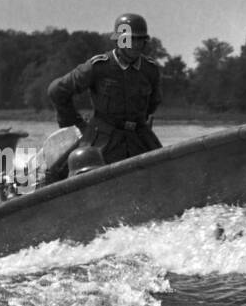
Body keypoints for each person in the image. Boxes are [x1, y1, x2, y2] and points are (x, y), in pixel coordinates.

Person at [45, 13, 162, 182]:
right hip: (103, 139)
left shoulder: (150, 70)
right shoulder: (99, 66)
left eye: (139, 40)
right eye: (129, 39)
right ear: (118, 41)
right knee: (69, 174)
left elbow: (153, 103)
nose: (134, 45)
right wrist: (76, 125)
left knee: (165, 172)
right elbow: (57, 91)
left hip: (138, 137)